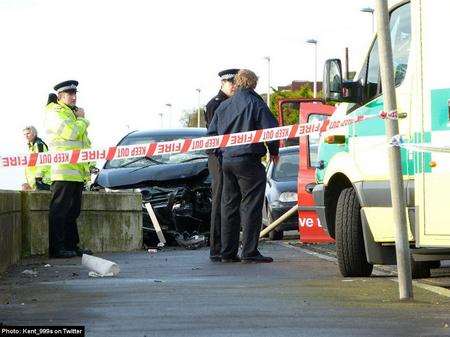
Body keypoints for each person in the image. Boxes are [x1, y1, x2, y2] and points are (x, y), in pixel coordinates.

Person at [208, 69, 280, 263]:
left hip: (227, 162)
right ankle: (249, 252)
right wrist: (274, 152)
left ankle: (227, 252)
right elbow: (272, 130)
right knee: (251, 206)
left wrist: (221, 153)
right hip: (248, 160)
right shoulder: (256, 103)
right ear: (254, 84)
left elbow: (211, 135)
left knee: (229, 206)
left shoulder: (223, 106)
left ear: (237, 83)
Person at [45, 80, 93, 258]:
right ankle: (57, 248)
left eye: (75, 93)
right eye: (69, 94)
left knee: (73, 211)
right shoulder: (54, 112)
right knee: (59, 211)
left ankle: (72, 246)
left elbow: (82, 143)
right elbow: (71, 133)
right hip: (63, 170)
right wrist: (82, 120)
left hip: (76, 171)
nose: (74, 97)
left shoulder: (70, 112)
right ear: (60, 96)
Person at [204, 68, 239, 262]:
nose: (233, 86)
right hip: (218, 157)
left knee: (231, 202)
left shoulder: (235, 103)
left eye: (235, 82)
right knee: (219, 202)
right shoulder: (214, 104)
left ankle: (228, 246)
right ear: (222, 83)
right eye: (230, 82)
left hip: (231, 156)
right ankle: (216, 248)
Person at [22, 126, 52, 191]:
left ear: (34, 134)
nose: (26, 136)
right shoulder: (31, 146)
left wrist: (38, 178)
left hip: (43, 180)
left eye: (28, 133)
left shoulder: (39, 144)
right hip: (36, 181)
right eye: (24, 134)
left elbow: (43, 162)